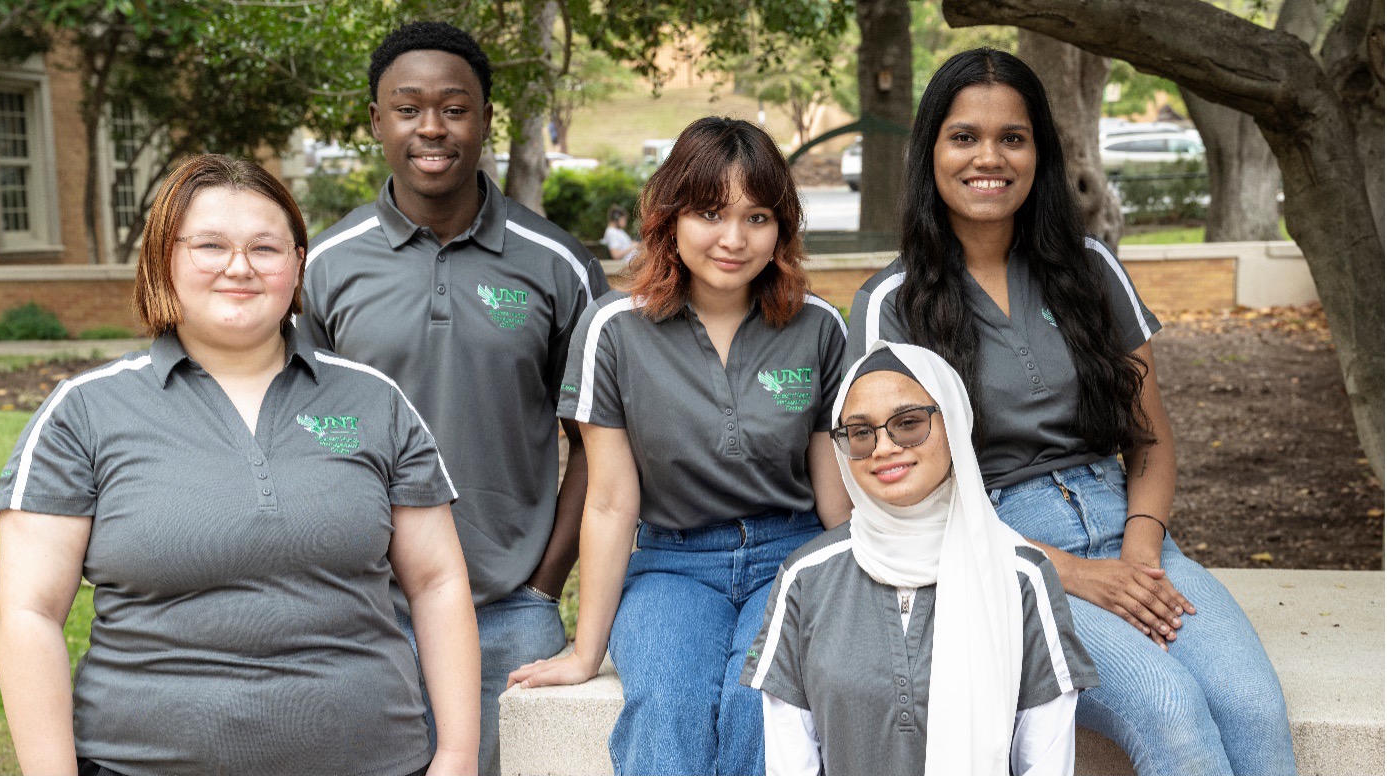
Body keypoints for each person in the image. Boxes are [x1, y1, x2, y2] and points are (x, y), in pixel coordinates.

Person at [847, 48, 1295, 775]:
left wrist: (1139, 556)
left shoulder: (1090, 268)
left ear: (1039, 153)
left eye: (1012, 138)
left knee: (1252, 706)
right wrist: (1072, 573)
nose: (988, 157)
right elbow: (893, 495)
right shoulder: (889, 306)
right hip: (996, 561)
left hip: (1129, 533)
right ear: (930, 150)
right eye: (964, 136)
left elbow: (1149, 441)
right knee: (1169, 709)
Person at [0, 154, 480, 776]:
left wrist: (458, 755)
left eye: (265, 248)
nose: (239, 268)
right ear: (164, 259)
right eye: (210, 245)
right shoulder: (83, 413)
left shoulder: (375, 402)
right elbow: (30, 615)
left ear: (298, 263)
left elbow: (438, 584)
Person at [298, 21, 609, 775]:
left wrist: (545, 583)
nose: (431, 127)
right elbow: (299, 434)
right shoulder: (325, 268)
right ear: (376, 121)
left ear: (486, 118)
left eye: (455, 107)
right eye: (408, 108)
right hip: (365, 610)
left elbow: (602, 448)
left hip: (511, 611)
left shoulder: (558, 264)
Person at [507, 116, 853, 775]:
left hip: (792, 558)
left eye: (757, 218)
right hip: (672, 564)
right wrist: (586, 650)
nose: (733, 239)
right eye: (710, 213)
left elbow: (836, 498)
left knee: (763, 700)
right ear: (671, 215)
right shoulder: (614, 329)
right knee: (667, 702)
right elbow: (609, 502)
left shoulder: (819, 327)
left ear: (782, 227)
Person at [742, 341, 1098, 775]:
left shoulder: (1020, 575)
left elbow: (1044, 764)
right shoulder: (806, 578)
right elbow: (789, 765)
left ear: (953, 422)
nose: (884, 447)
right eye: (860, 433)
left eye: (908, 423)